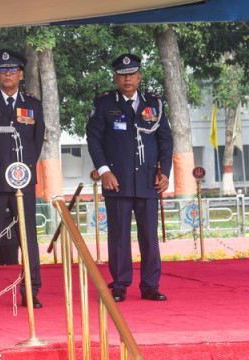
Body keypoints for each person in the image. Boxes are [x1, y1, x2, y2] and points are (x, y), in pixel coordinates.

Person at [86, 53, 173, 302]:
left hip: (148, 180)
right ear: (115, 78)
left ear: (139, 77)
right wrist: (104, 171)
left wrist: (165, 172)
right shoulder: (103, 104)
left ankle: (150, 285)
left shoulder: (154, 103)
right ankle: (120, 284)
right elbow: (94, 139)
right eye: (123, 75)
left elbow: (165, 139)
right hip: (117, 180)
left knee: (149, 236)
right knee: (119, 236)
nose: (127, 79)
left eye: (132, 74)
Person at [0, 49, 45, 310]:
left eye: (12, 70)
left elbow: (36, 143)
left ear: (21, 74)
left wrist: (21, 170)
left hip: (22, 180)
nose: (7, 74)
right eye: (3, 70)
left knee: (28, 238)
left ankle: (31, 290)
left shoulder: (33, 105)